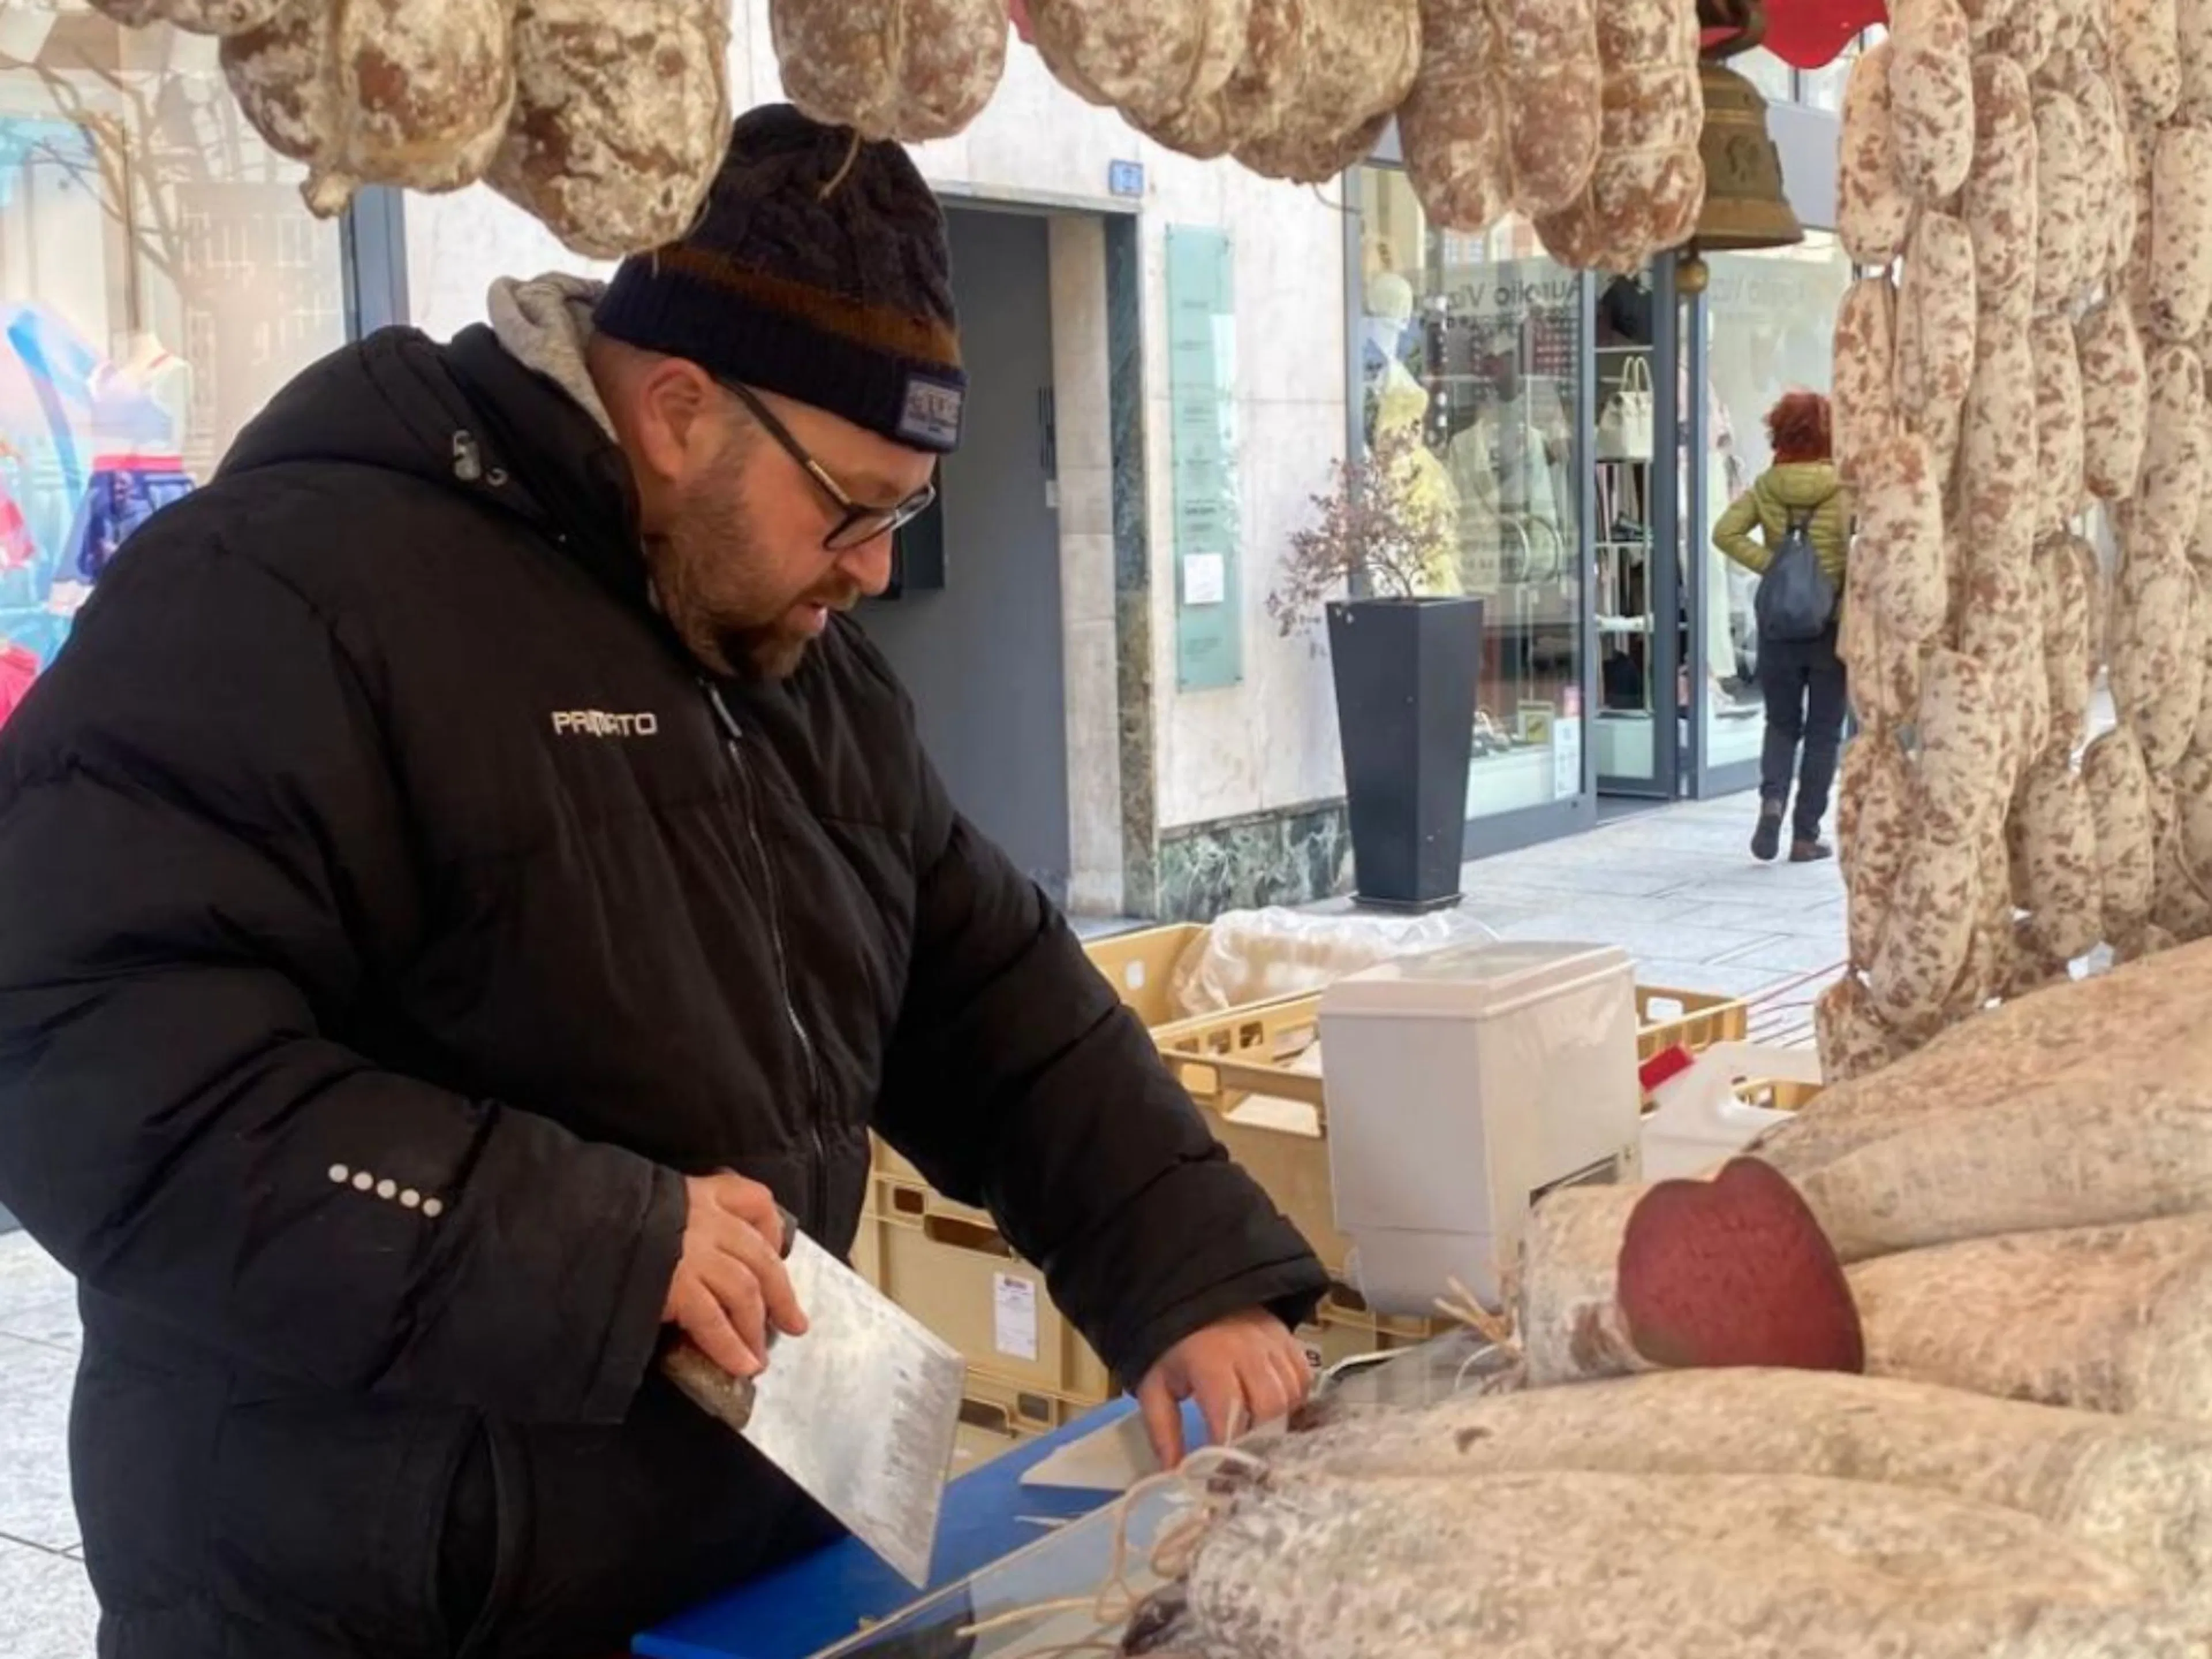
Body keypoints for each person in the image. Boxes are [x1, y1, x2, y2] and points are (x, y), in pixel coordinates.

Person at [0, 107, 1328, 1659]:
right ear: (683, 409)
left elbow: (988, 996)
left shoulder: (792, 657)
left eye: (907, 513)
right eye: (851, 506)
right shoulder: (283, 592)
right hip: (365, 1597)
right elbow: (89, 1069)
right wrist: (596, 1242)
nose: (875, 570)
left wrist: (1193, 1279)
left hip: (730, 1564)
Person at [1711, 390, 1852, 864]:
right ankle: (1805, 835)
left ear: (1780, 433)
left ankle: (1772, 803)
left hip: (1777, 626)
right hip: (1831, 624)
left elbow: (1723, 533)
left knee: (1781, 722)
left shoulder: (1767, 486)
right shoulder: (1845, 488)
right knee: (1824, 731)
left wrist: (1773, 564)